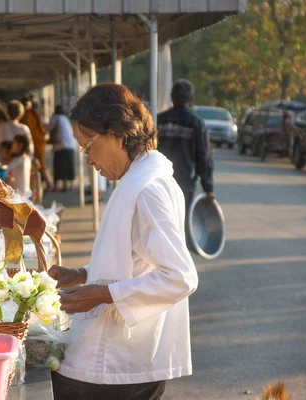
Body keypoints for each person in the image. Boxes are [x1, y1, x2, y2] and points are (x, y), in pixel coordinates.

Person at [49, 83, 198, 400]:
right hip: (116, 362)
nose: (88, 160)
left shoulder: (148, 188)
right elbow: (137, 258)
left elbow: (180, 277)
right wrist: (84, 273)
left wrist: (101, 294)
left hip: (120, 366)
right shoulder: (138, 178)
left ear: (116, 133)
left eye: (88, 146)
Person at [157, 79, 214, 218]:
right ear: (191, 99)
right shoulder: (196, 123)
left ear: (172, 97)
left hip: (158, 180)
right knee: (180, 222)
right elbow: (203, 157)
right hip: (184, 182)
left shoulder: (158, 120)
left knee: (160, 219)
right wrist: (208, 189)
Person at [21, 98, 53, 190]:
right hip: (37, 141)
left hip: (35, 143)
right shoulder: (32, 114)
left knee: (39, 164)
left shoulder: (29, 115)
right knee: (38, 163)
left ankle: (48, 182)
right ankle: (45, 183)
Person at [49, 105, 76, 192]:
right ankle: (66, 186)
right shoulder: (65, 119)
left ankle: (56, 187)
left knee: (58, 167)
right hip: (70, 145)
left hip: (60, 145)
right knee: (67, 167)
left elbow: (49, 128)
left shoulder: (55, 118)